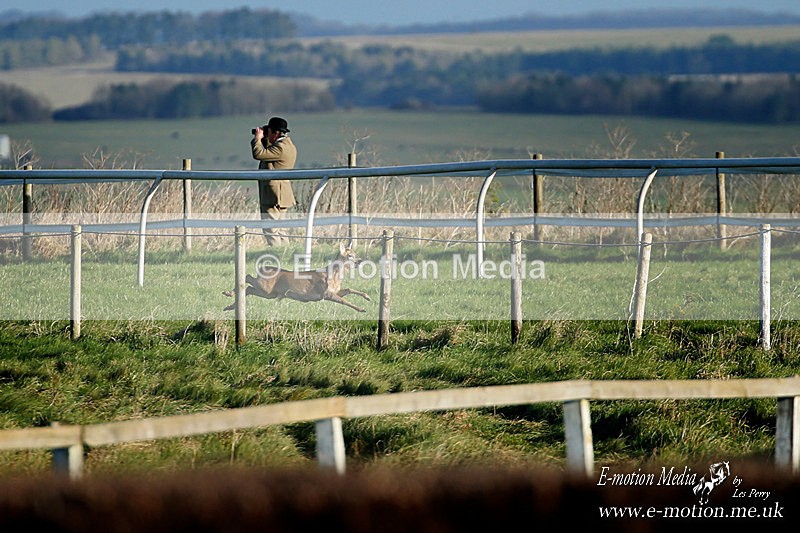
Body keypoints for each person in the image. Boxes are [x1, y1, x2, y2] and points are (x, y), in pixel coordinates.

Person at [251, 116, 297, 246]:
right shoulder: (288, 145)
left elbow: (259, 154)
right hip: (282, 194)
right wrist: (265, 139)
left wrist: (258, 139)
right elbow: (268, 153)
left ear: (276, 133)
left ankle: (276, 256)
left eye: (269, 132)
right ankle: (286, 254)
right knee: (281, 229)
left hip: (273, 195)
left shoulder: (280, 148)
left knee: (270, 229)